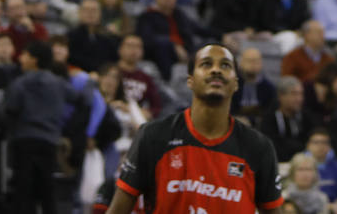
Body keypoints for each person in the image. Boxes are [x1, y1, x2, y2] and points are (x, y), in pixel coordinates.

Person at [107, 44, 284, 213]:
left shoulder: (259, 148)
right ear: (190, 80)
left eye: (225, 65)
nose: (216, 70)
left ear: (236, 83)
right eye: (206, 64)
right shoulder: (153, 136)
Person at [5, 40, 89, 214]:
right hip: (49, 143)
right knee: (47, 193)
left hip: (24, 141)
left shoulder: (21, 82)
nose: (20, 59)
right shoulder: (59, 83)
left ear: (34, 60)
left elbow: (11, 109)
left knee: (23, 192)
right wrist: (70, 128)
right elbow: (84, 102)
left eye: (25, 55)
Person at [136, 0, 212, 81]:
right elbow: (147, 39)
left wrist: (223, 36)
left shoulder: (179, 15)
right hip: (163, 53)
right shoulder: (147, 16)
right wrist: (173, 44)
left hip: (187, 52)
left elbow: (199, 29)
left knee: (211, 45)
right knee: (162, 46)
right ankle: (167, 82)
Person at [262, 76, 315, 162]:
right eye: (294, 94)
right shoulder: (269, 119)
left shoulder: (307, 117)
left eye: (301, 94)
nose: (299, 99)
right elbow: (271, 146)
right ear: (281, 96)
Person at [231, 47, 279, 129]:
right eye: (249, 61)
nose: (253, 64)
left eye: (256, 61)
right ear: (241, 62)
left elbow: (270, 112)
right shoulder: (232, 84)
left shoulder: (268, 88)